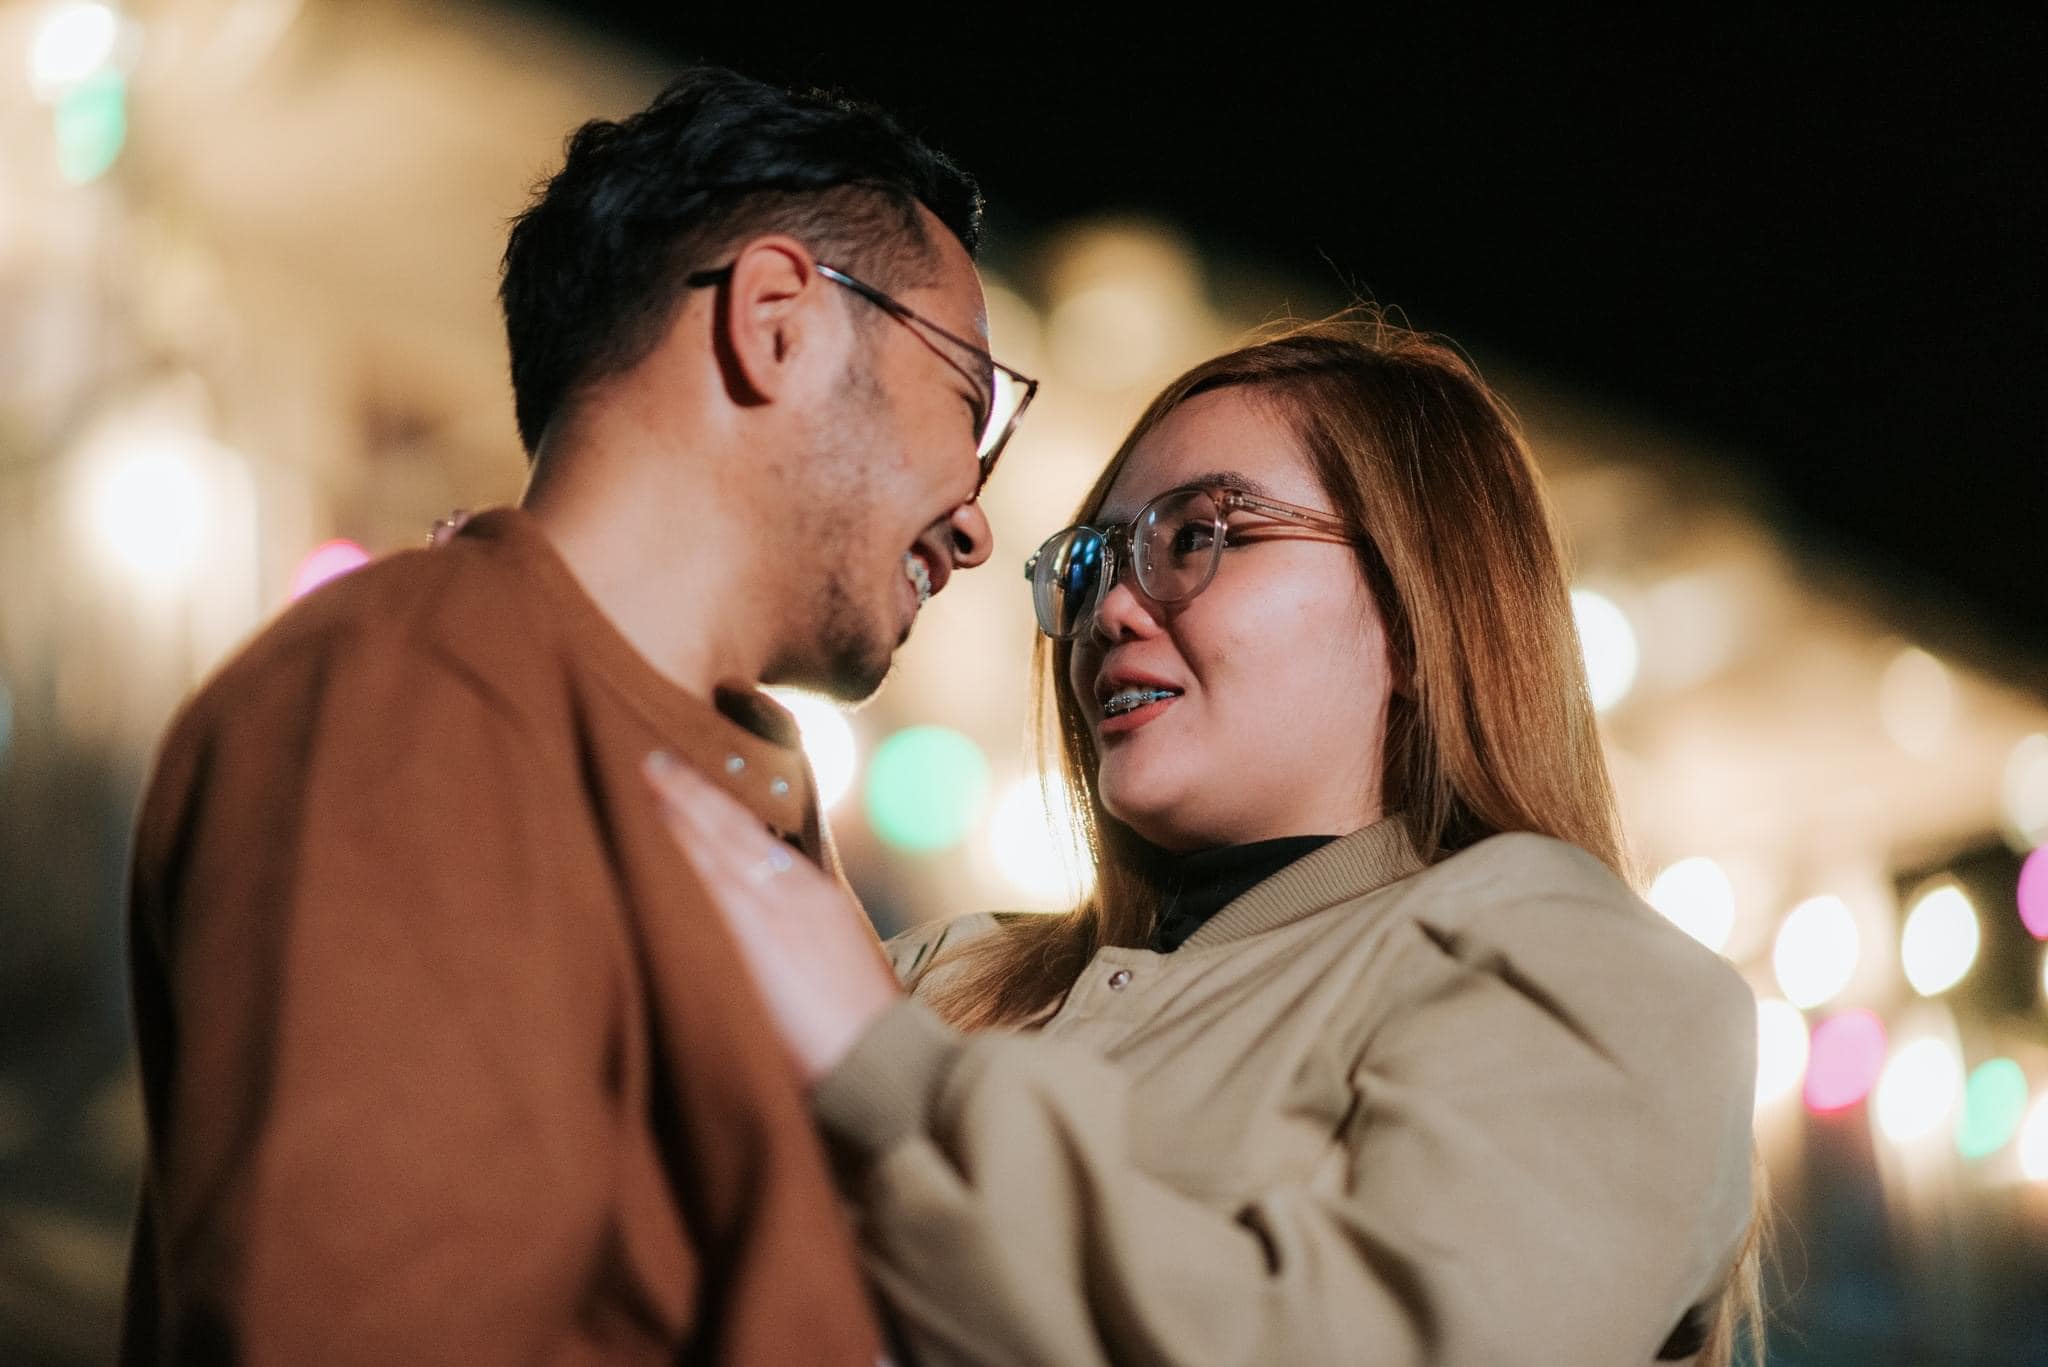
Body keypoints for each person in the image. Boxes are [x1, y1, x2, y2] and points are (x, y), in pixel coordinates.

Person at [123, 65, 1036, 1363]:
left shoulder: (717, 785)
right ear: (777, 319)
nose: (979, 520)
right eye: (970, 403)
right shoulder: (419, 696)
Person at [643, 315, 1764, 1366]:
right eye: (1087, 565)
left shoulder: (1568, 961)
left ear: (1421, 609)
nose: (1111, 612)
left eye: (1197, 535)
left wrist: (878, 1068)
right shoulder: (956, 968)